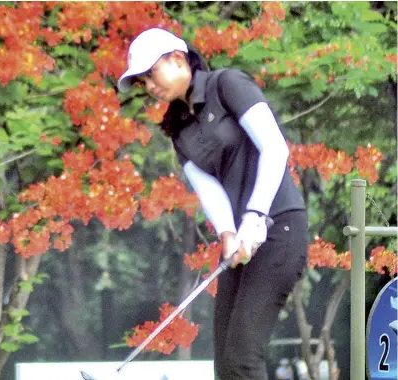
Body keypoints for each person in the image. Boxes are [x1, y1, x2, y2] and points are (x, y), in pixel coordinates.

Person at [117, 28, 309, 380]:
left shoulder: (227, 85)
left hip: (279, 227)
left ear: (178, 59)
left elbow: (274, 147)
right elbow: (210, 191)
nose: (149, 86)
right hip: (242, 240)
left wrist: (255, 215)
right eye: (142, 81)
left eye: (150, 74)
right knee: (225, 366)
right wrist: (227, 234)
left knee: (242, 358)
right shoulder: (177, 127)